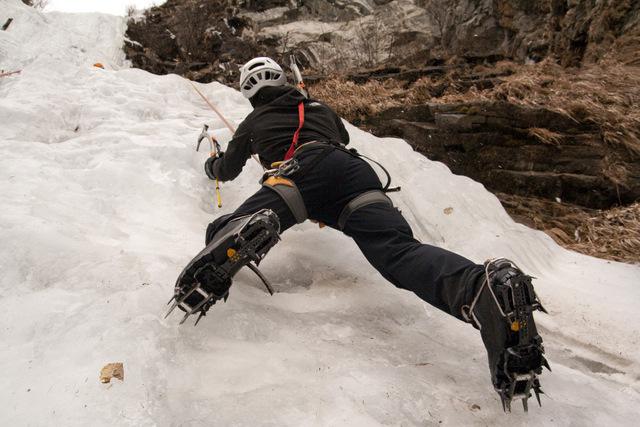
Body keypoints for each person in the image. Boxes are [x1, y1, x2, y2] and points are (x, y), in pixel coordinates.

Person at [169, 57, 549, 411]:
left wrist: (212, 165)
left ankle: (248, 229)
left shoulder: (255, 121)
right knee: (399, 252)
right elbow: (341, 137)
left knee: (233, 225)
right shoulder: (318, 108)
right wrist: (308, 108)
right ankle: (483, 288)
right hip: (355, 176)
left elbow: (228, 169)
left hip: (299, 174)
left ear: (248, 93)